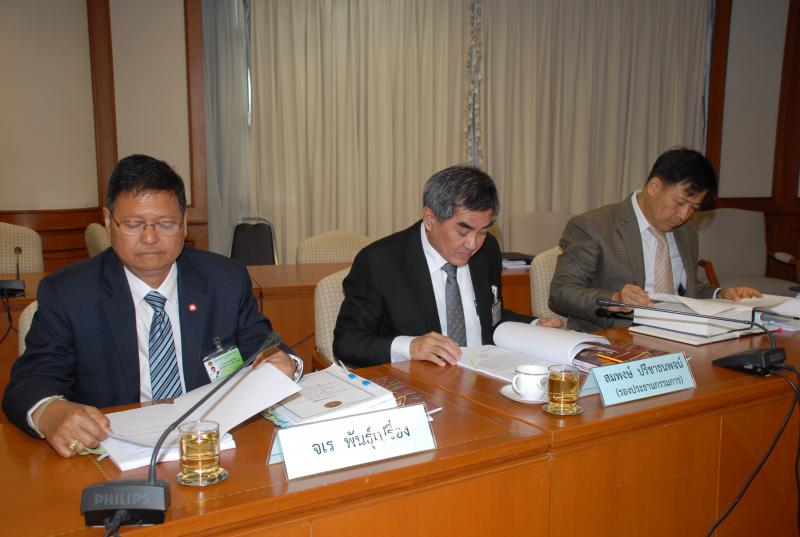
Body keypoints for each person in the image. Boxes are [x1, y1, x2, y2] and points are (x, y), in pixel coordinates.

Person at [2, 154, 302, 457]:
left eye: (165, 224)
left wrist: (286, 364)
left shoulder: (225, 280)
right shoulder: (69, 293)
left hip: (211, 445)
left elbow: (266, 348)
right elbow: (29, 382)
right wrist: (49, 412)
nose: (149, 238)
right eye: (133, 224)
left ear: (184, 224)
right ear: (108, 222)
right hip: (111, 454)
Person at [333, 165, 562, 367]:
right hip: (419, 384)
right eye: (463, 231)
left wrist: (533, 325)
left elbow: (489, 316)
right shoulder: (380, 262)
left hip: (484, 377)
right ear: (430, 218)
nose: (473, 244)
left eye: (483, 231)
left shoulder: (487, 250)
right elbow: (347, 342)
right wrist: (411, 347)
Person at [549, 147, 761, 333]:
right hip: (616, 337)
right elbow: (561, 293)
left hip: (680, 334)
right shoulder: (593, 226)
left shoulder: (686, 231)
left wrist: (721, 294)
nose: (684, 215)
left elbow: (686, 290)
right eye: (680, 203)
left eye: (694, 208)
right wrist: (614, 299)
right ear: (654, 186)